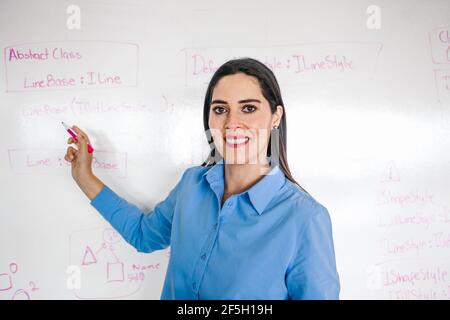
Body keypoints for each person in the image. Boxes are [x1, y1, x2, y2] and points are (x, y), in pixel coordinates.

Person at [64, 58, 340, 299]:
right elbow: (143, 236)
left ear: (276, 117)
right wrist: (84, 177)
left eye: (248, 108)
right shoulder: (191, 185)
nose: (232, 123)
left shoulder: (305, 218)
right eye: (220, 109)